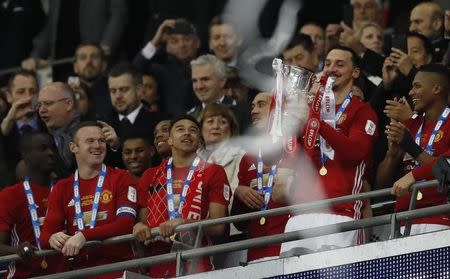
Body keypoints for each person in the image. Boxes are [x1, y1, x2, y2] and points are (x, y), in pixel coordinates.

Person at [277, 46, 378, 254]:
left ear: (355, 73)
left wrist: (316, 124)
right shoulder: (308, 109)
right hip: (299, 215)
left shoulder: (362, 111)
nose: (332, 69)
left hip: (341, 213)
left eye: (340, 64)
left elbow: (355, 152)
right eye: (328, 64)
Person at [133, 115, 229, 277]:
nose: (187, 133)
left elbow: (218, 226)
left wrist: (185, 223)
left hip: (197, 262)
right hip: (157, 264)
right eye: (180, 129)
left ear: (199, 142)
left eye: (193, 131)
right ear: (169, 140)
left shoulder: (214, 171)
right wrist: (139, 227)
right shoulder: (150, 175)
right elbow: (143, 222)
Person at [40, 121, 138, 277]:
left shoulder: (122, 178)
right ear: (74, 147)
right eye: (90, 141)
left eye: (101, 141)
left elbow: (125, 224)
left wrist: (84, 236)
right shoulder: (62, 187)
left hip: (117, 270)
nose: (98, 145)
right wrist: (53, 238)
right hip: (79, 272)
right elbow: (44, 238)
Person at [377, 64, 450, 235]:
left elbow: (446, 168)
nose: (410, 93)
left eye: (417, 86)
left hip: (438, 219)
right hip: (402, 220)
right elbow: (382, 184)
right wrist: (392, 155)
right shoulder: (412, 126)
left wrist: (410, 148)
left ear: (436, 88)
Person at [231, 92, 291, 263]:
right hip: (256, 251)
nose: (254, 111)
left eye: (261, 104)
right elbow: (240, 224)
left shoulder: (295, 146)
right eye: (252, 106)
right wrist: (239, 193)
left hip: (290, 246)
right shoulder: (248, 157)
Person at [0, 132, 61, 278]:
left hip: (63, 274)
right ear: (26, 155)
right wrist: (16, 250)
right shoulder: (10, 195)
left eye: (53, 148)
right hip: (24, 275)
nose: (51, 153)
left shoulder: (65, 189)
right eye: (43, 148)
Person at [21, 0, 128, 81]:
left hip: (95, 65)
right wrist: (36, 56)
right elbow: (51, 25)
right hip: (62, 64)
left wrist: (106, 46)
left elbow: (119, 14)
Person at [133, 18, 201, 117]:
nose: (182, 45)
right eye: (174, 41)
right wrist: (155, 41)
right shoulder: (162, 71)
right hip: (171, 126)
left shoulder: (208, 67)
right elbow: (133, 71)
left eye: (186, 39)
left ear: (197, 42)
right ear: (167, 47)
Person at [188, 54, 251, 131]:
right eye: (194, 81)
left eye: (205, 79)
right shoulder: (190, 117)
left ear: (222, 81)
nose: (199, 86)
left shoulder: (244, 113)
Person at [1, 70, 45, 176]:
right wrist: (7, 122)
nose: (28, 98)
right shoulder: (4, 124)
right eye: (21, 92)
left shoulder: (49, 121)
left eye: (33, 91)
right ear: (8, 96)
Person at [107, 62, 160, 142]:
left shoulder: (158, 123)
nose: (117, 96)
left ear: (139, 90)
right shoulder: (103, 124)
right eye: (113, 91)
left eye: (123, 89)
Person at [37, 82, 81, 177]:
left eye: (48, 103)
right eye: (39, 105)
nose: (41, 110)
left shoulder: (91, 130)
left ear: (68, 104)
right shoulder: (41, 137)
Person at [72, 43, 112, 120]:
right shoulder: (67, 92)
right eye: (83, 57)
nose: (88, 62)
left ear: (104, 65)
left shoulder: (114, 90)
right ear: (75, 67)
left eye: (94, 57)